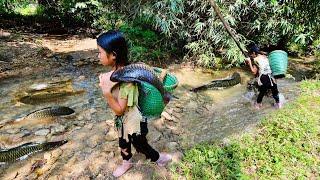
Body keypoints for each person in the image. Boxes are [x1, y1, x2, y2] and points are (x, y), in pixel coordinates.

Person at [97, 30, 172, 177]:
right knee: (123, 143)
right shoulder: (119, 72)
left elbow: (119, 109)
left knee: (141, 144)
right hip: (123, 120)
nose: (98, 56)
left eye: (100, 52)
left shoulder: (128, 82)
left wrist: (107, 92)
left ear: (113, 55)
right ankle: (127, 163)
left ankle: (158, 158)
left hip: (135, 121)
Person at [245, 44, 282, 109]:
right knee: (275, 92)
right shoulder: (265, 56)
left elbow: (254, 72)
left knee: (262, 92)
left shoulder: (255, 60)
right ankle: (278, 105)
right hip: (272, 76)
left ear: (254, 53)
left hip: (264, 77)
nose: (251, 56)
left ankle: (258, 105)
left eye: (251, 54)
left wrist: (250, 62)